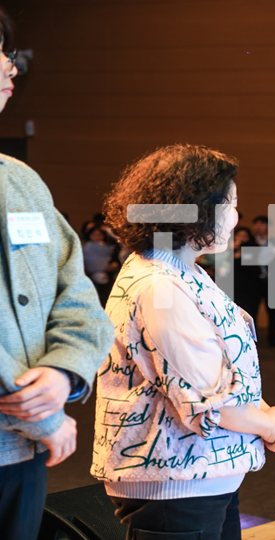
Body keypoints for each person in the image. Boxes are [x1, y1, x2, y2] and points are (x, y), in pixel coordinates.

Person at [95, 144, 275, 540]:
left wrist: (269, 417)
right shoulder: (160, 285)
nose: (235, 217)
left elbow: (223, 372)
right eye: (231, 204)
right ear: (195, 211)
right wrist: (272, 425)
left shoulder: (182, 270)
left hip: (200, 476)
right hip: (174, 484)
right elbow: (210, 400)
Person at [0, 9, 114, 539]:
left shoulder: (22, 180)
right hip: (31, 429)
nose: (11, 66)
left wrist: (64, 372)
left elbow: (76, 292)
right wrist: (41, 414)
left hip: (19, 454)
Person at [251, 215, 275, 347]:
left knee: (273, 312)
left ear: (268, 226)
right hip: (253, 283)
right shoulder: (250, 241)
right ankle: (252, 338)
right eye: (256, 223)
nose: (258, 226)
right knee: (251, 311)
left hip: (272, 282)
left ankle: (273, 337)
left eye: (262, 223)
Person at [82, 223, 121, 305]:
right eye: (94, 234)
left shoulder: (111, 248)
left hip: (108, 280)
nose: (97, 237)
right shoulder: (84, 248)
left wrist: (106, 268)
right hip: (89, 280)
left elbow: (116, 263)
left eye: (99, 234)